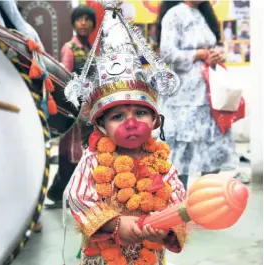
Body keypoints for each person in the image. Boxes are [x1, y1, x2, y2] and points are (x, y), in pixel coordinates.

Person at [62, 4, 186, 265]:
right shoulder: (94, 160)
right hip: (103, 258)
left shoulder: (162, 164)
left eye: (140, 113)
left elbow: (178, 199)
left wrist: (166, 227)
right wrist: (115, 223)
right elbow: (77, 196)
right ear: (101, 125)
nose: (131, 123)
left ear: (155, 120)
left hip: (149, 254)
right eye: (118, 116)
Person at [157, 1, 249, 189]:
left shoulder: (204, 14)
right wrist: (199, 54)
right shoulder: (174, 15)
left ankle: (205, 199)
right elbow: (167, 53)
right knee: (181, 150)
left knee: (212, 147)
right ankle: (178, 205)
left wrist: (217, 53)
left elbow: (213, 44)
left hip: (209, 94)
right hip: (184, 97)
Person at [46, 5, 96, 209]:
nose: (83, 23)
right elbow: (64, 79)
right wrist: (75, 107)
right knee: (71, 153)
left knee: (83, 152)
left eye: (87, 19)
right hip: (76, 110)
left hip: (90, 109)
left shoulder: (90, 48)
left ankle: (71, 193)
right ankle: (59, 192)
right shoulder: (70, 48)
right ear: (74, 23)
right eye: (79, 19)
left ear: (93, 24)